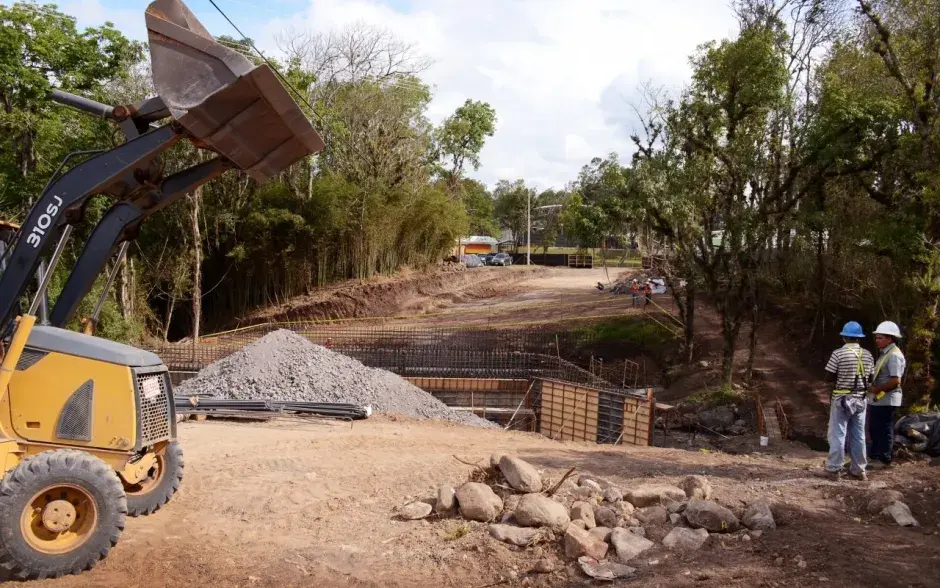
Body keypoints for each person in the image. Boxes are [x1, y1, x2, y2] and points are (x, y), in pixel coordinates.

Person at [819, 321, 874, 481]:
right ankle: (859, 470)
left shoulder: (838, 354)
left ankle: (834, 469)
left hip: (842, 399)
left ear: (844, 337)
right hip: (861, 399)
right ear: (859, 339)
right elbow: (870, 378)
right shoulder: (868, 355)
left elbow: (828, 377)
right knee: (858, 435)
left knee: (838, 433)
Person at [868, 321, 906, 469]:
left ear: (890, 338)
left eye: (880, 338)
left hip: (887, 400)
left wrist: (878, 390)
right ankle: (875, 456)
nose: (877, 340)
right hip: (880, 399)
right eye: (877, 338)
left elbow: (895, 381)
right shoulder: (887, 353)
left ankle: (884, 458)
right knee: (875, 428)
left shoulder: (894, 355)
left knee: (884, 429)